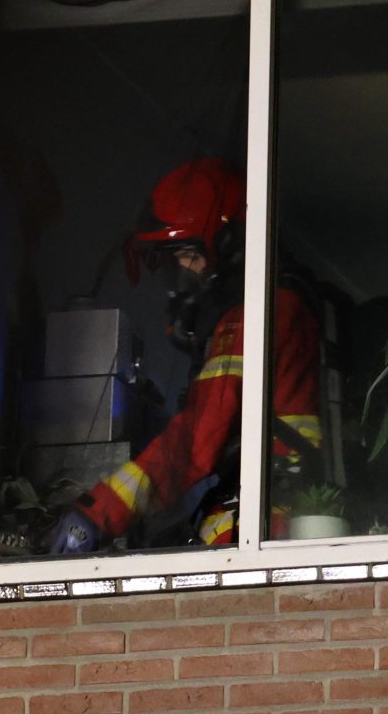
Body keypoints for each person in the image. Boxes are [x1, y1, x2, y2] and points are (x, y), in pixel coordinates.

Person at [48, 157, 320, 553]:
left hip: (273, 520)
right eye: (174, 262)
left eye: (190, 256)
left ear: (231, 249)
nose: (183, 277)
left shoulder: (258, 314)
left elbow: (194, 440)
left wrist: (98, 512)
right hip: (273, 510)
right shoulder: (276, 306)